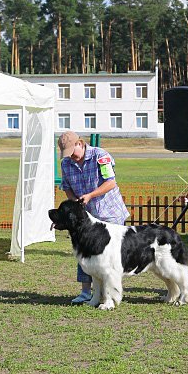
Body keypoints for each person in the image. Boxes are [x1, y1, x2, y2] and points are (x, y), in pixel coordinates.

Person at [58, 131, 129, 305]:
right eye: (67, 155)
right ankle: (85, 292)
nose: (71, 158)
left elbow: (110, 182)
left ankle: (109, 295)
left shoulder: (100, 155)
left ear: (80, 143)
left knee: (109, 259)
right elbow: (66, 186)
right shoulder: (66, 163)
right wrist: (74, 202)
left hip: (109, 214)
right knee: (85, 251)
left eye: (73, 153)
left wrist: (90, 195)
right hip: (87, 217)